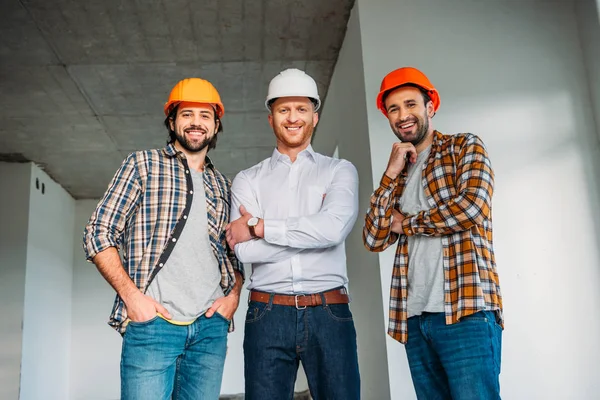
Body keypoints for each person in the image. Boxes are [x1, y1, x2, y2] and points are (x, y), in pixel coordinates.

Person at [83, 77, 244, 400]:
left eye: (205, 116)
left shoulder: (223, 185)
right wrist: (132, 298)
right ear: (171, 121)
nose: (196, 123)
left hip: (209, 328)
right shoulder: (142, 165)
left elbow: (232, 253)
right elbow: (98, 232)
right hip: (153, 324)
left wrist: (234, 296)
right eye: (186, 114)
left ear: (216, 126)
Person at [363, 67, 504, 399]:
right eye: (393, 109)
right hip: (415, 319)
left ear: (430, 106)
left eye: (410, 104)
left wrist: (406, 224)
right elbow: (373, 238)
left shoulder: (463, 147)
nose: (402, 115)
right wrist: (389, 174)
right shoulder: (400, 173)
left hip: (465, 310)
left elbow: (471, 208)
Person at [225, 68, 361, 400]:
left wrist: (260, 227)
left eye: (301, 109)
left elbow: (333, 229)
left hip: (329, 312)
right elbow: (243, 251)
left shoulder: (339, 170)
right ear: (271, 118)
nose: (292, 118)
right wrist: (313, 236)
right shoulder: (247, 180)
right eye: (283, 110)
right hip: (267, 313)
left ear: (315, 117)